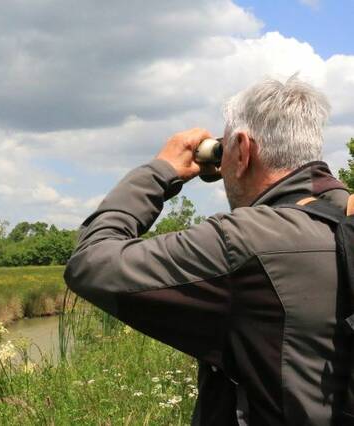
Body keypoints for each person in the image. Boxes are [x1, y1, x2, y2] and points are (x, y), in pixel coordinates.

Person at [64, 76, 353, 425]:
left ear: (243, 150)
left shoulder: (245, 243)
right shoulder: (343, 217)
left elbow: (90, 262)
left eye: (225, 148)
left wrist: (160, 172)